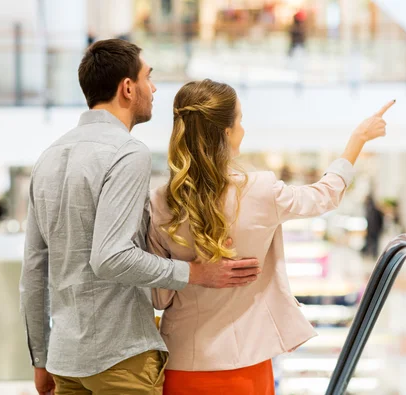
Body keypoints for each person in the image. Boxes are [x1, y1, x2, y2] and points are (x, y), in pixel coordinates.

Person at [20, 41, 261, 395]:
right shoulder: (127, 153)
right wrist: (195, 272)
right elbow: (110, 257)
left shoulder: (48, 158)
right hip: (121, 358)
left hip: (65, 361)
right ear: (127, 88)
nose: (154, 88)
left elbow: (33, 271)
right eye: (148, 77)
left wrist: (40, 358)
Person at [148, 79, 394, 394]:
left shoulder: (159, 201)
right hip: (246, 362)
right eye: (240, 121)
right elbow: (324, 195)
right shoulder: (260, 190)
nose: (244, 129)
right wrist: (357, 140)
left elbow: (160, 297)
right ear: (226, 131)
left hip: (183, 361)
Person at [363, 194, 384, 258]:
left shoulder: (372, 210)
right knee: (371, 243)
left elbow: (380, 220)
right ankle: (370, 254)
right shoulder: (369, 209)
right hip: (372, 230)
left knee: (373, 243)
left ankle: (373, 254)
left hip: (374, 230)